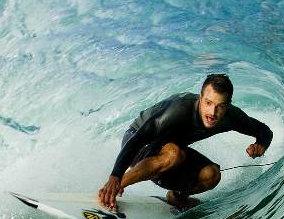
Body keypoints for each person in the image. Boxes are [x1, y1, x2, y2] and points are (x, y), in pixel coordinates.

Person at [98, 73, 273, 211]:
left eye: (220, 106)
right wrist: (115, 176)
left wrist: (260, 144)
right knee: (174, 153)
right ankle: (112, 190)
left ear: (228, 105)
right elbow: (136, 141)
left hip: (170, 151)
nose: (212, 112)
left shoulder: (231, 117)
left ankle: (177, 197)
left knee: (211, 174)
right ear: (200, 97)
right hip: (138, 143)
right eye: (208, 103)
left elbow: (264, 130)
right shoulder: (177, 111)